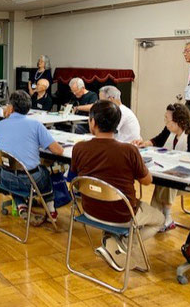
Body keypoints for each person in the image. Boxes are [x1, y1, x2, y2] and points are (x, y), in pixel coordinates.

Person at [71, 101, 164, 272]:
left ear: (92, 122)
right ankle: (122, 244)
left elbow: (75, 175)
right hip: (122, 214)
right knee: (160, 220)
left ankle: (115, 244)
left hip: (90, 210)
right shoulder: (129, 151)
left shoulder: (79, 148)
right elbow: (147, 181)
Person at [134, 103, 190, 231]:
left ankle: (165, 216)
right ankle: (158, 217)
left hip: (187, 179)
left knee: (167, 180)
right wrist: (145, 143)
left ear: (180, 121)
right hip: (170, 174)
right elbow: (157, 140)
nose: (166, 122)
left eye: (168, 120)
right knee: (162, 179)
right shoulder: (169, 131)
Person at [0, 90, 64, 222]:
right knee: (45, 173)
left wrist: (6, 115)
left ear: (11, 107)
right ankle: (51, 211)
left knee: (11, 167)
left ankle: (21, 205)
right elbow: (58, 151)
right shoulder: (36, 125)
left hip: (4, 178)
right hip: (30, 180)